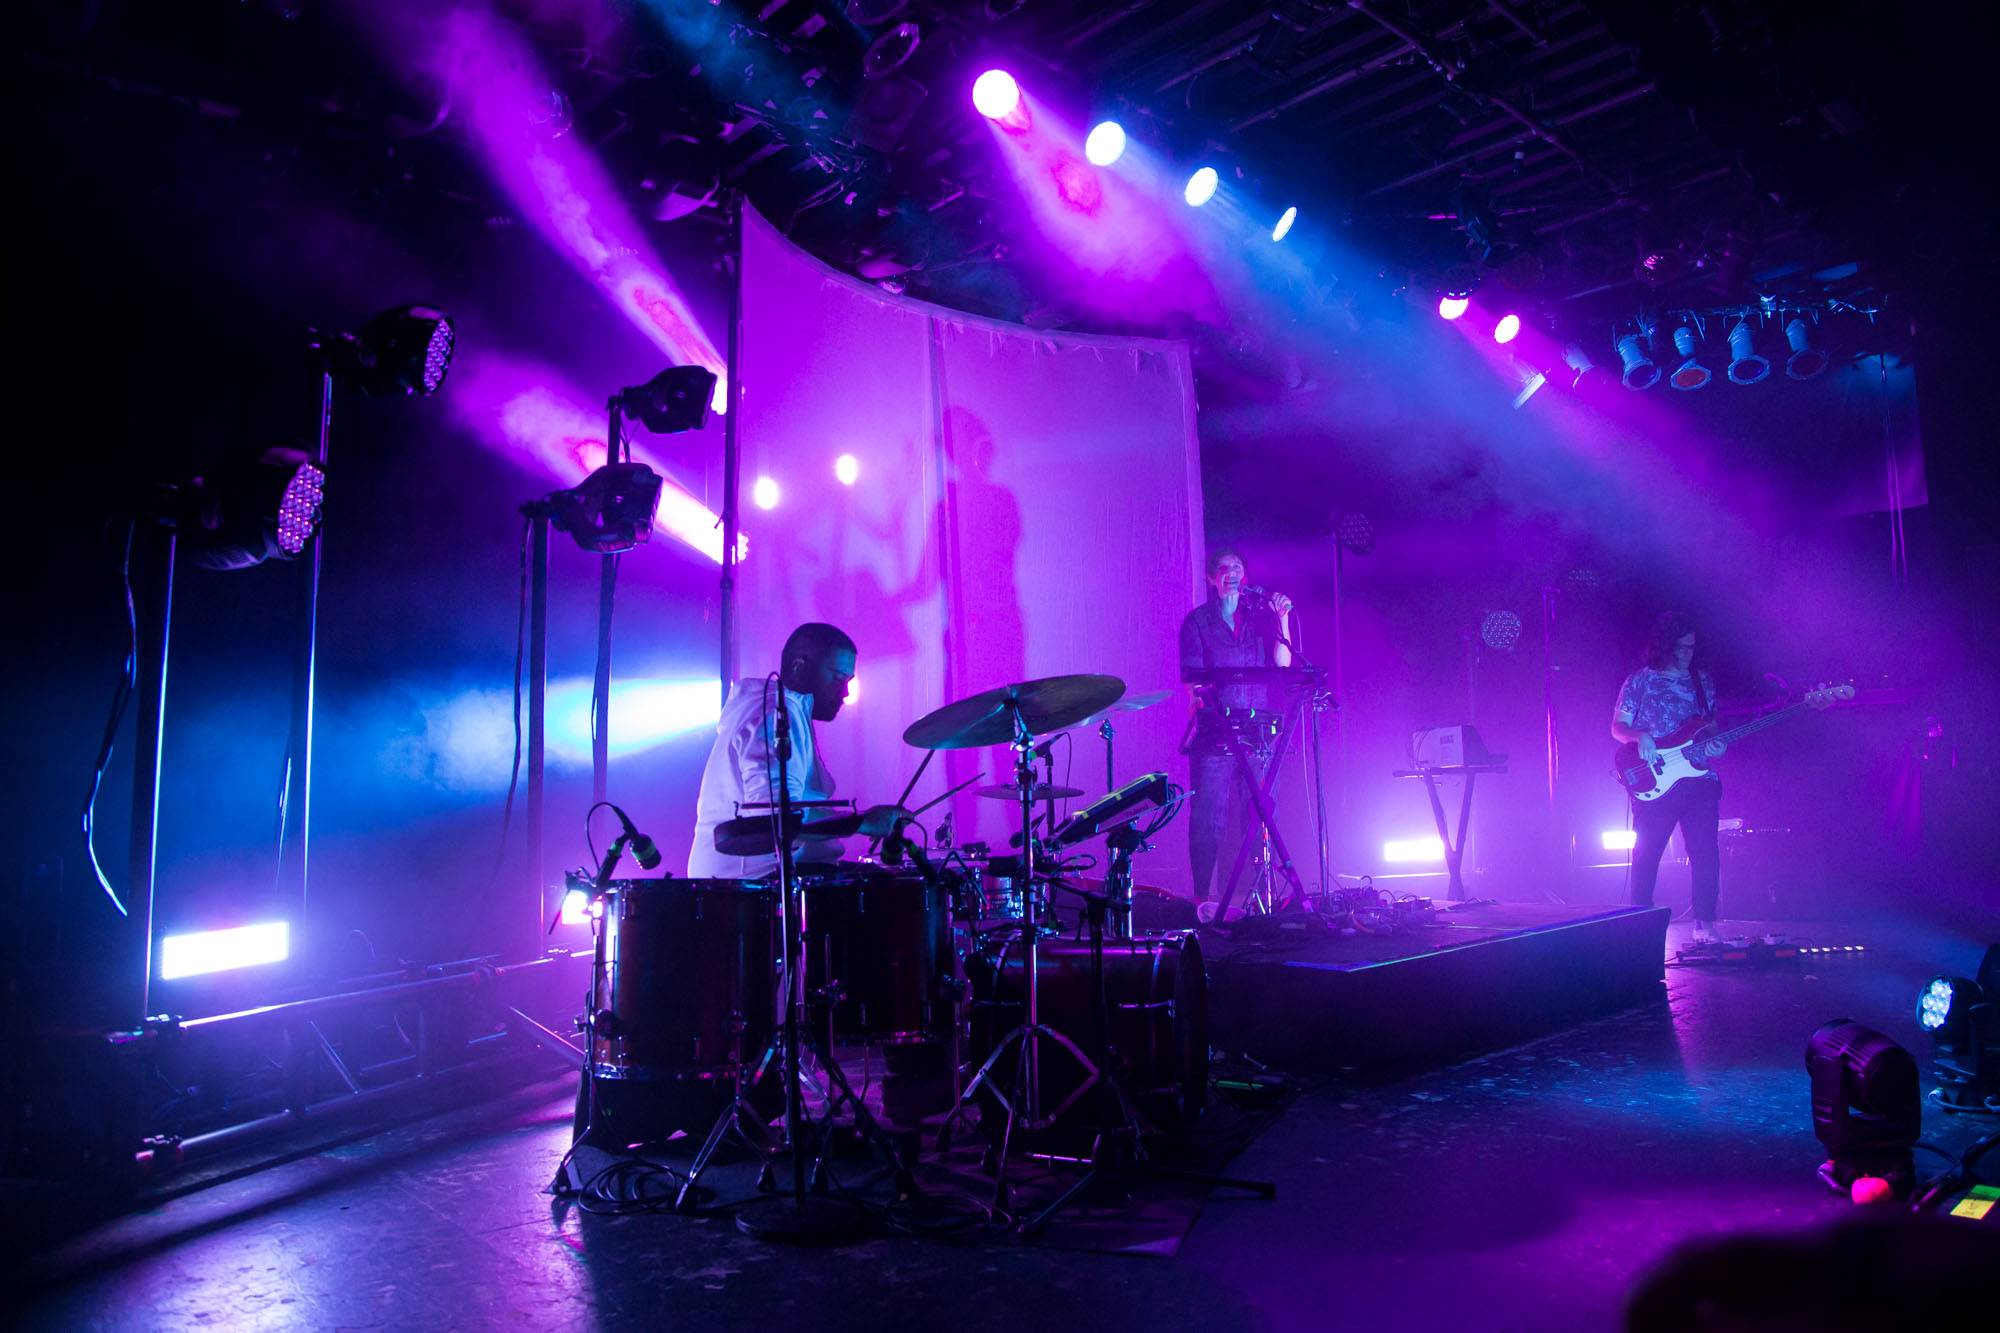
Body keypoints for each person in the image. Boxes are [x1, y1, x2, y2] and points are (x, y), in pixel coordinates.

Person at [688, 622, 858, 878]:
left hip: (761, 881)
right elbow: (775, 821)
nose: (845, 692)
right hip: (750, 889)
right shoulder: (774, 714)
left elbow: (791, 809)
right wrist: (863, 822)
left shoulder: (782, 708)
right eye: (837, 677)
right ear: (799, 667)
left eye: (848, 680)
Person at [1178, 549, 1293, 909]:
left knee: (1258, 813)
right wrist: (1205, 705)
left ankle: (1260, 895)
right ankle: (1203, 899)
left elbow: (1282, 663)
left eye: (1238, 567)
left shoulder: (1256, 620)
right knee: (1208, 817)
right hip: (1216, 732)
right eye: (1224, 568)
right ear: (1212, 578)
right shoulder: (1197, 622)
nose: (1232, 573)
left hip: (1256, 732)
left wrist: (1283, 620)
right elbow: (1193, 680)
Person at [1611, 611, 1726, 941]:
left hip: (1699, 780)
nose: (1688, 653)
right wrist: (1640, 736)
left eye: (1692, 647)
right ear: (1665, 646)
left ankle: (1705, 923)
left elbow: (1709, 727)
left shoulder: (1701, 681)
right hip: (1657, 778)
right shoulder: (1640, 681)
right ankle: (1638, 922)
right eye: (1681, 647)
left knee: (1705, 850)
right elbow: (1618, 727)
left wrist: (1715, 745)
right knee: (1648, 852)